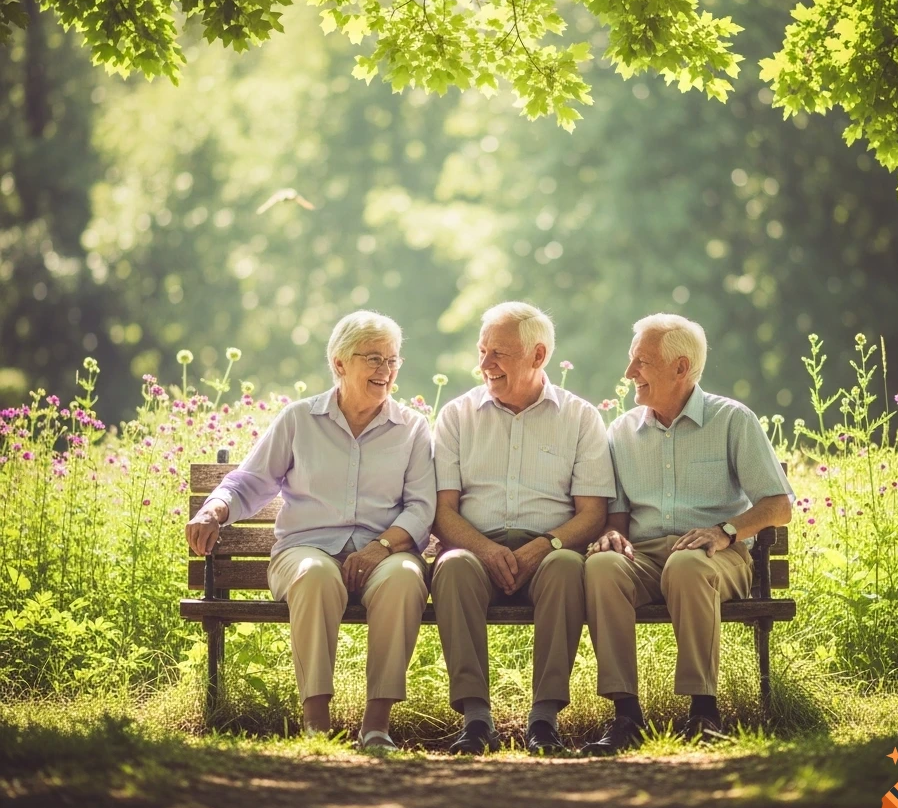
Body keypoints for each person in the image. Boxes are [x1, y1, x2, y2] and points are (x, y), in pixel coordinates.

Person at [185, 310, 435, 749]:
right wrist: (214, 508)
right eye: (373, 358)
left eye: (393, 360)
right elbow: (251, 480)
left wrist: (380, 547)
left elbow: (421, 506)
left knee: (406, 577)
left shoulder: (411, 428)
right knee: (316, 574)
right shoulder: (299, 419)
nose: (386, 370)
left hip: (383, 555)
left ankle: (376, 726)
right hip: (305, 551)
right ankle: (317, 725)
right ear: (339, 364)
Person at [581, 314, 793, 755]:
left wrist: (725, 531)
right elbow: (617, 515)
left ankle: (703, 710)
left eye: (641, 362)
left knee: (688, 564)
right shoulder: (621, 432)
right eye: (630, 361)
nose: (628, 374)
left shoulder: (732, 421)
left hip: (718, 555)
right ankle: (626, 715)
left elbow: (779, 506)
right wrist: (611, 538)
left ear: (681, 368)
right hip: (645, 556)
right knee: (601, 568)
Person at [431, 301, 615, 754]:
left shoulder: (580, 417)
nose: (485, 364)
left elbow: (592, 513)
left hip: (551, 550)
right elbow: (441, 511)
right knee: (451, 567)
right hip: (474, 549)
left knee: (567, 568)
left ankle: (544, 719)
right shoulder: (456, 416)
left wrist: (544, 545)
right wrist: (484, 550)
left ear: (538, 356)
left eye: (499, 353)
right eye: (482, 351)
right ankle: (476, 720)